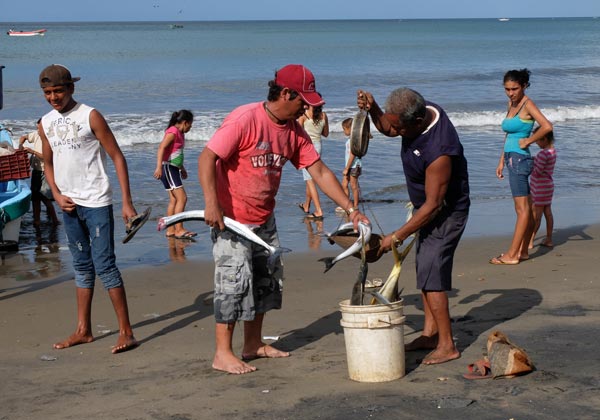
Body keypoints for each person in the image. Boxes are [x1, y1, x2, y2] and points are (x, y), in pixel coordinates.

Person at [198, 64, 370, 374]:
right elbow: (207, 157)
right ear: (285, 93)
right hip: (232, 220)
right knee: (233, 283)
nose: (307, 107)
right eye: (303, 101)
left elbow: (318, 170)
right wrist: (212, 204)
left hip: (264, 218)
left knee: (266, 282)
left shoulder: (293, 131)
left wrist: (350, 208)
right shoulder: (245, 119)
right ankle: (222, 353)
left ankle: (252, 344)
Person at [357, 87, 470, 365]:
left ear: (416, 123)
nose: (393, 131)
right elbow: (388, 127)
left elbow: (433, 204)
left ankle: (447, 345)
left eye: (399, 127)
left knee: (432, 275)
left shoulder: (440, 150)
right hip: (426, 208)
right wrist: (373, 109)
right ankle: (431, 334)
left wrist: (394, 237)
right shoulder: (415, 112)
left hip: (445, 211)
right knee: (424, 269)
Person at [38, 64, 142, 354]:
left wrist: (127, 202)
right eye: (48, 92)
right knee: (81, 267)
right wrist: (56, 195)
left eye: (58, 90)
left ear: (71, 88)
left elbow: (117, 157)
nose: (53, 97)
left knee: (105, 265)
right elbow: (48, 163)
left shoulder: (90, 115)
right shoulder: (45, 123)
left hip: (96, 201)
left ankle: (127, 332)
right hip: (68, 205)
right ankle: (83, 330)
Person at [490, 69, 553, 265]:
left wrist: (529, 141)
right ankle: (523, 251)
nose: (510, 93)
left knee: (522, 210)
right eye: (507, 89)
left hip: (520, 160)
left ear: (524, 86)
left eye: (514, 89)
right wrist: (501, 159)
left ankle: (511, 255)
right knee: (525, 208)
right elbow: (508, 134)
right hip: (511, 158)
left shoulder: (527, 104)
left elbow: (546, 126)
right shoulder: (512, 103)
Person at [153, 110, 196, 239]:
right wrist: (158, 167)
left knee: (174, 200)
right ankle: (179, 229)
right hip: (168, 168)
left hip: (173, 168)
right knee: (182, 198)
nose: (191, 127)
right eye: (190, 125)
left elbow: (175, 154)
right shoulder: (173, 132)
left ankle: (171, 229)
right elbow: (161, 148)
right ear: (184, 122)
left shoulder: (180, 133)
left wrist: (182, 168)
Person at [18, 119, 60, 227]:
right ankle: (36, 220)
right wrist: (20, 146)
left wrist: (32, 152)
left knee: (45, 198)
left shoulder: (51, 139)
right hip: (36, 171)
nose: (38, 130)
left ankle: (55, 220)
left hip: (46, 171)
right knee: (35, 197)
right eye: (37, 128)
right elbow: (24, 137)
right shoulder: (36, 134)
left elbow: (46, 158)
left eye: (40, 128)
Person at [297, 102, 329, 220]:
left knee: (310, 180)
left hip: (307, 148)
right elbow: (325, 134)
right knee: (310, 179)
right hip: (319, 146)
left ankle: (318, 210)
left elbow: (298, 135)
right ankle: (306, 205)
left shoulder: (303, 116)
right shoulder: (323, 115)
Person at [529, 127, 556, 248]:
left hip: (539, 187)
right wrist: (537, 160)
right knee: (548, 213)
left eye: (537, 140)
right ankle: (549, 239)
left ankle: (530, 241)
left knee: (536, 216)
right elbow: (545, 165)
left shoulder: (542, 154)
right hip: (548, 186)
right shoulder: (552, 151)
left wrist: (531, 166)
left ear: (544, 139)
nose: (536, 143)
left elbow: (538, 172)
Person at [340, 117, 362, 211]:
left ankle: (355, 205)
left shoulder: (354, 140)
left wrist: (347, 168)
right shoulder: (350, 139)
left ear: (350, 129)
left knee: (353, 186)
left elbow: (352, 154)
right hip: (349, 166)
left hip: (354, 166)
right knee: (344, 184)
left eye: (344, 129)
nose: (344, 132)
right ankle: (347, 204)